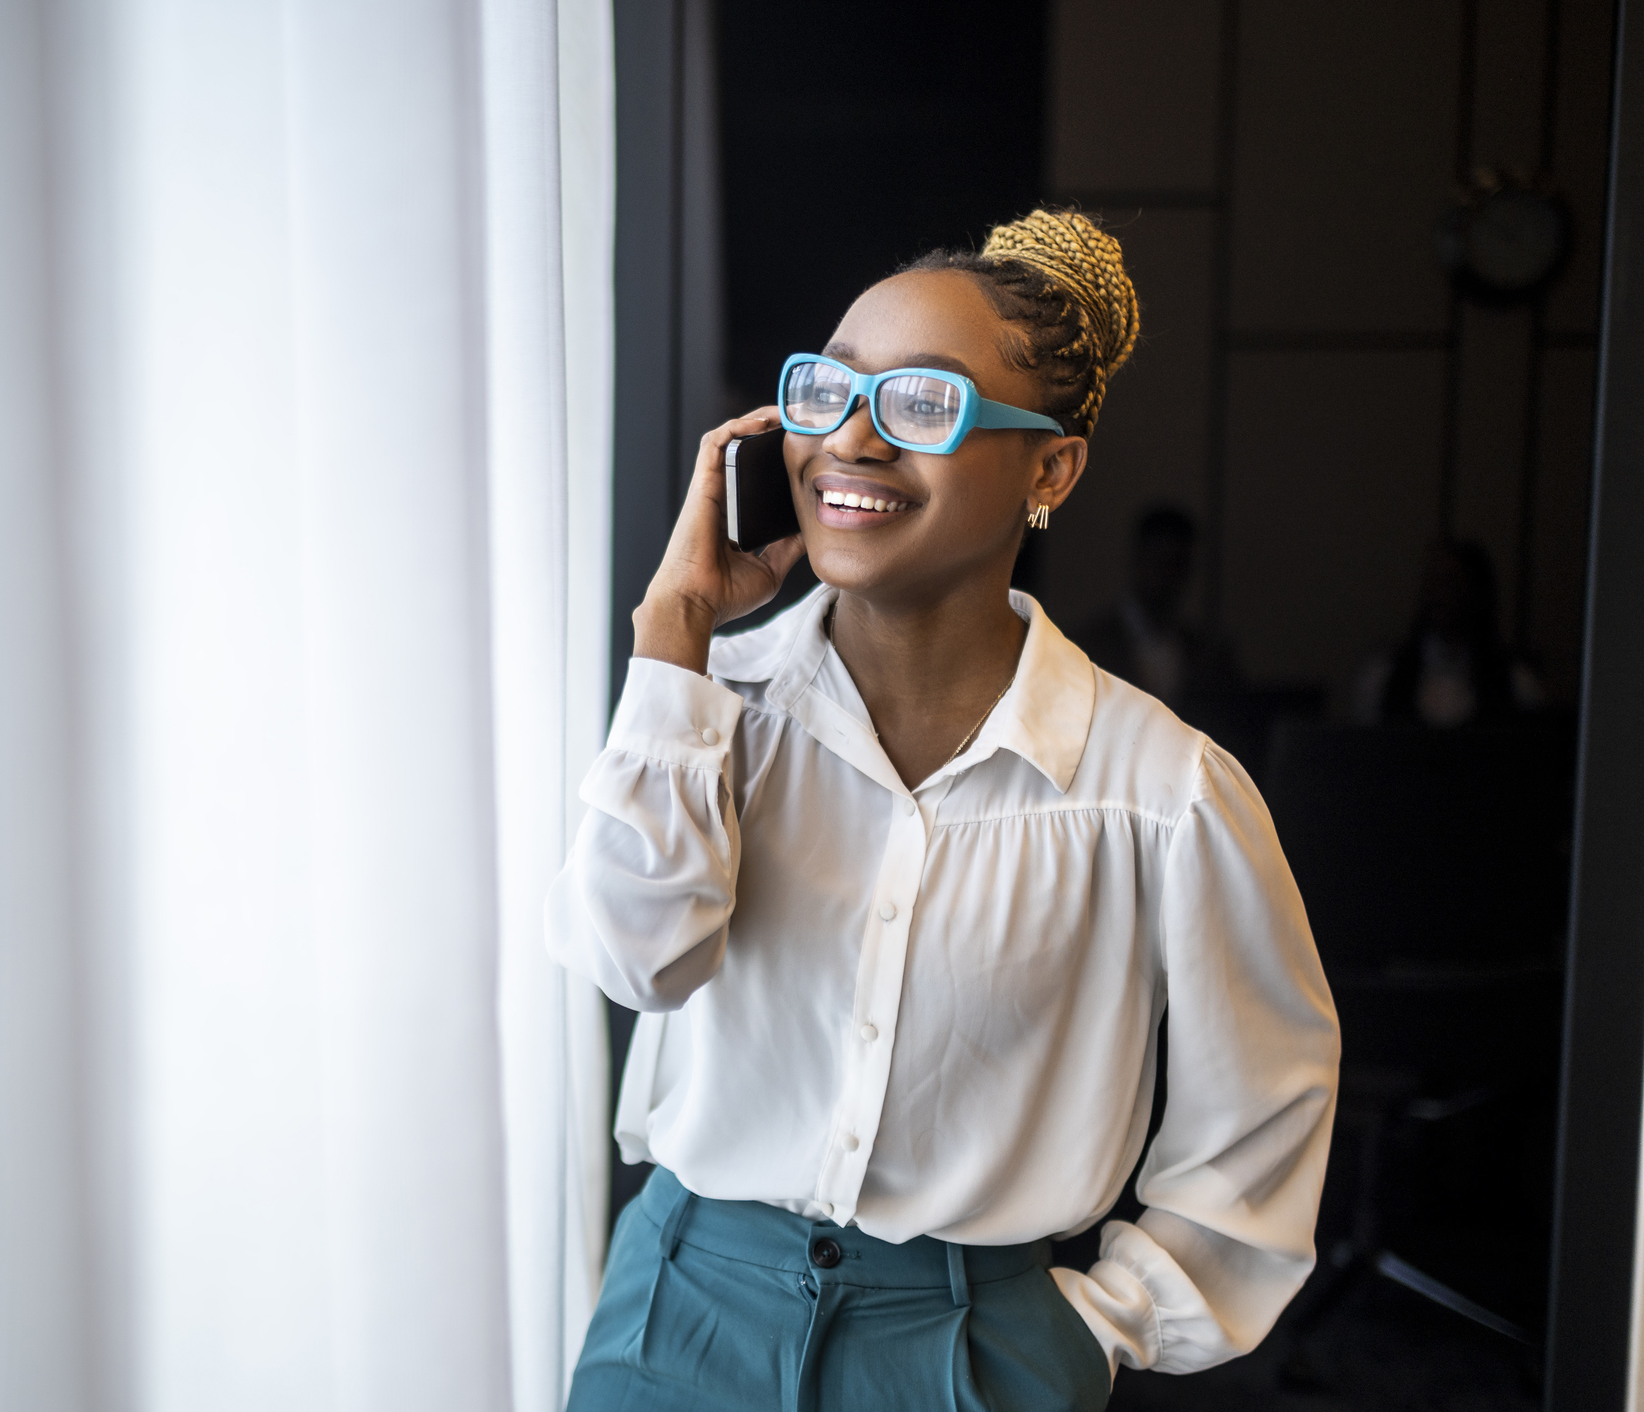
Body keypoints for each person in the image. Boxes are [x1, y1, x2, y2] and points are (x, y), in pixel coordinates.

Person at [547, 210, 1338, 1411]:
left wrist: (1090, 1328)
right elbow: (632, 960)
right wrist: (674, 637)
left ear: (1050, 470)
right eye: (827, 393)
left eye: (922, 404)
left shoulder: (1163, 794)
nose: (850, 440)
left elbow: (1267, 1111)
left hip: (968, 1349)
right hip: (677, 1317)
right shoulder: (703, 707)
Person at [1351, 539, 1544, 727]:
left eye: (1449, 581)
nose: (1437, 593)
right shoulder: (1383, 678)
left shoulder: (1516, 684)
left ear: (1476, 592)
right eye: (1431, 581)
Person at [1070, 504, 1241, 711]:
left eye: (1178, 564)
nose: (1169, 576)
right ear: (1138, 560)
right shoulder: (1088, 647)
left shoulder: (1208, 654)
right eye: (1161, 562)